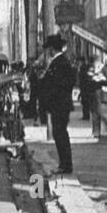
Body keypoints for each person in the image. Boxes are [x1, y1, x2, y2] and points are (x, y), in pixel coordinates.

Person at [38, 34, 76, 175]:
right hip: (60, 104)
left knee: (60, 134)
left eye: (48, 49)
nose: (47, 51)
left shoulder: (60, 63)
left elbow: (58, 85)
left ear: (52, 49)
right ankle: (64, 164)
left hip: (59, 104)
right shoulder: (59, 62)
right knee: (59, 133)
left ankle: (66, 165)